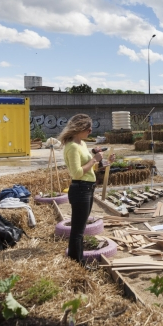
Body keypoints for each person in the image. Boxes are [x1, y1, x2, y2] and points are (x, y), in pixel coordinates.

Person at [58, 114, 115, 266]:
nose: (90, 131)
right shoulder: (72, 147)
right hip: (80, 189)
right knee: (78, 231)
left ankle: (75, 261)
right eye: (88, 129)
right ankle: (78, 263)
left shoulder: (82, 144)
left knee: (81, 228)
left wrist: (106, 163)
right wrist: (94, 159)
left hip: (88, 188)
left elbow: (91, 168)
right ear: (80, 128)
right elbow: (76, 173)